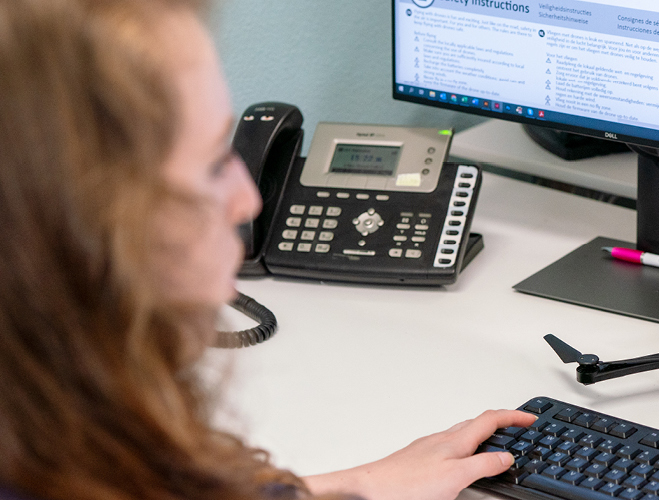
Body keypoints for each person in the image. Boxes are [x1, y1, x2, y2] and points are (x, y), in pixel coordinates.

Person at [0, 1, 536, 499]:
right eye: (213, 163)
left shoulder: (50, 434)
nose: (248, 199)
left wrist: (369, 483)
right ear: (81, 231)